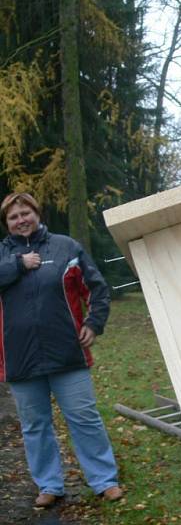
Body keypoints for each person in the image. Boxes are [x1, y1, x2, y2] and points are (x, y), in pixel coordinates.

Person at [0, 192, 122, 508]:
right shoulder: (2, 255)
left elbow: (97, 288)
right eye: (13, 217)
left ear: (37, 214)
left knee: (84, 417)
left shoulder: (65, 247)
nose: (21, 220)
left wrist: (94, 323)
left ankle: (104, 480)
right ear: (7, 224)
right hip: (20, 358)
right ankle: (49, 485)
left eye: (25, 212)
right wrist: (18, 264)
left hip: (68, 352)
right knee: (35, 426)